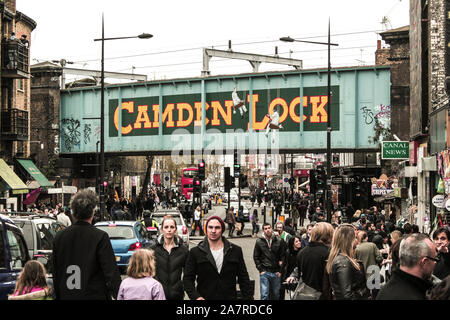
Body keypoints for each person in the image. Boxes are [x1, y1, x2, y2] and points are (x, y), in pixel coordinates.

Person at [52, 189, 122, 300]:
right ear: (93, 212)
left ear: (74, 212)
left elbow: (56, 273)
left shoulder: (59, 237)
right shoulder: (100, 237)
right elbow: (111, 274)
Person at [183, 216, 253, 300]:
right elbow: (187, 279)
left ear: (222, 230)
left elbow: (244, 278)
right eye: (210, 227)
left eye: (217, 227)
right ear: (206, 229)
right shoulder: (195, 252)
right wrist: (196, 297)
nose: (213, 231)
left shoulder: (235, 250)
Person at [376, 233, 437, 300]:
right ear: (424, 262)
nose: (435, 263)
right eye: (434, 259)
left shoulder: (387, 289)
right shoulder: (413, 295)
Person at [286, 222, 335, 299]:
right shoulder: (328, 253)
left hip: (305, 293)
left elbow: (300, 274)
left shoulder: (302, 252)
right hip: (321, 295)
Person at [326, 224, 370, 300]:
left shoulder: (343, 260)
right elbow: (346, 295)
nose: (357, 240)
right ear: (349, 240)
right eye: (355, 237)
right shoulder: (343, 261)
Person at [151, 215, 188, 300]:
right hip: (157, 295)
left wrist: (182, 287)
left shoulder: (183, 250)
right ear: (162, 229)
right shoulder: (153, 250)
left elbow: (188, 274)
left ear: (175, 229)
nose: (169, 230)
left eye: (172, 227)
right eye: (166, 227)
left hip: (177, 295)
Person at [253, 223, 286, 300]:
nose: (267, 230)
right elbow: (256, 256)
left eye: (269, 228)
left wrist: (280, 271)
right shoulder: (259, 242)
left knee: (275, 295)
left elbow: (283, 256)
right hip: (265, 271)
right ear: (263, 230)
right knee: (264, 295)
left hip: (276, 272)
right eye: (265, 228)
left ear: (272, 229)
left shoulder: (279, 241)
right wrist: (261, 270)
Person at [280, 235, 302, 300]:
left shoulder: (302, 252)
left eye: (299, 241)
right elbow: (285, 264)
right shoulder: (288, 253)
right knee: (292, 296)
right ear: (292, 244)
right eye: (296, 241)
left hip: (300, 277)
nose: (299, 242)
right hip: (291, 278)